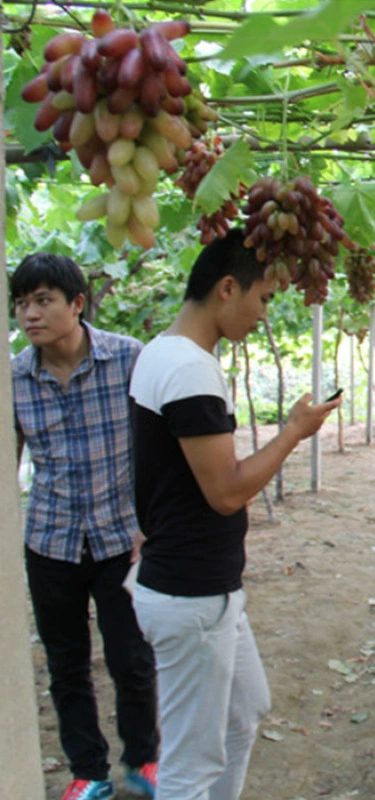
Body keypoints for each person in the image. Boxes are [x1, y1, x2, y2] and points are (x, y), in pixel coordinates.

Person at [128, 228, 342, 800]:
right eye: (264, 298)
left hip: (200, 587)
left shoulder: (161, 351)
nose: (265, 315)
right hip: (191, 594)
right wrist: (294, 432)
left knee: (244, 712)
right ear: (228, 288)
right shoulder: (191, 368)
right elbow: (225, 493)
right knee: (188, 768)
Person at [10, 253, 159, 800]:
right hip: (50, 541)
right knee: (66, 664)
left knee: (131, 658)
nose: (30, 314)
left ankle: (143, 762)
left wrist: (153, 524)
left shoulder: (128, 359)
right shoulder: (15, 379)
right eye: (21, 303)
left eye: (43, 300)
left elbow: (157, 446)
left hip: (122, 536)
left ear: (77, 303)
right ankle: (88, 772)